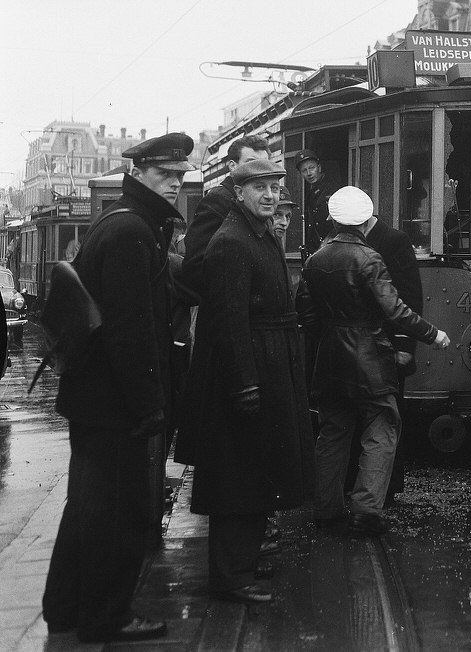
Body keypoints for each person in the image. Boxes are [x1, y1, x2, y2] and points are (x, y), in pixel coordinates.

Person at [42, 132, 194, 643]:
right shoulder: (133, 231)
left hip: (93, 396)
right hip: (114, 403)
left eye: (178, 176)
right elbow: (131, 329)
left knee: (85, 505)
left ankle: (64, 608)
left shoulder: (118, 222)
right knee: (117, 512)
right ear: (138, 174)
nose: (173, 185)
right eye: (163, 175)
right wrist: (151, 404)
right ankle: (107, 616)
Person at [174, 158, 314, 603]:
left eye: (275, 187)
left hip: (270, 365)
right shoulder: (232, 242)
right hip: (250, 370)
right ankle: (229, 576)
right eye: (260, 188)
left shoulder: (259, 234)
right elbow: (227, 320)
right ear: (239, 193)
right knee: (237, 476)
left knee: (258, 472)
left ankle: (244, 564)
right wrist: (244, 384)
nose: (271, 195)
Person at [299, 186, 450, 535]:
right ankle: (365, 511)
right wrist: (432, 334)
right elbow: (395, 310)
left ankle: (327, 510)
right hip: (369, 356)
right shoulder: (369, 258)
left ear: (335, 220)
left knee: (333, 431)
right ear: (366, 221)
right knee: (382, 426)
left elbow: (307, 313)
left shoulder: (315, 259)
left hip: (330, 356)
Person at [364, 210, 425, 498]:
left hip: (389, 345)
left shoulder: (395, 241)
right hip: (363, 347)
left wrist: (404, 346)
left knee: (389, 419)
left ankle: (387, 489)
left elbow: (410, 297)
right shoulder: (351, 239)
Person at [179, 134, 271, 298]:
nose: (259, 170)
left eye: (264, 164)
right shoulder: (217, 201)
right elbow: (196, 266)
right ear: (232, 166)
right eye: (251, 163)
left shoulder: (260, 200)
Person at [296, 149, 339, 259]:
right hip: (317, 251)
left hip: (332, 249)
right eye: (304, 170)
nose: (309, 174)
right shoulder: (308, 193)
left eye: (312, 168)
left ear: (319, 167)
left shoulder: (332, 188)